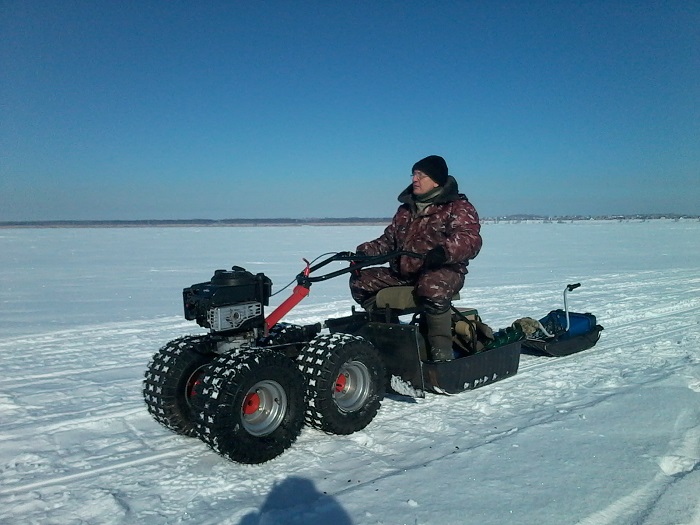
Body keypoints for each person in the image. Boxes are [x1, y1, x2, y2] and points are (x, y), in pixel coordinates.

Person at [349, 155, 482, 361]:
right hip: (404, 272)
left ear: (436, 181)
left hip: (443, 271)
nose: (415, 179)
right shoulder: (406, 210)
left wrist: (444, 252)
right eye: (414, 174)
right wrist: (362, 254)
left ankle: (441, 353)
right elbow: (388, 241)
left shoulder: (457, 208)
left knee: (432, 284)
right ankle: (390, 340)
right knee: (360, 281)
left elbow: (470, 240)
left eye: (421, 175)